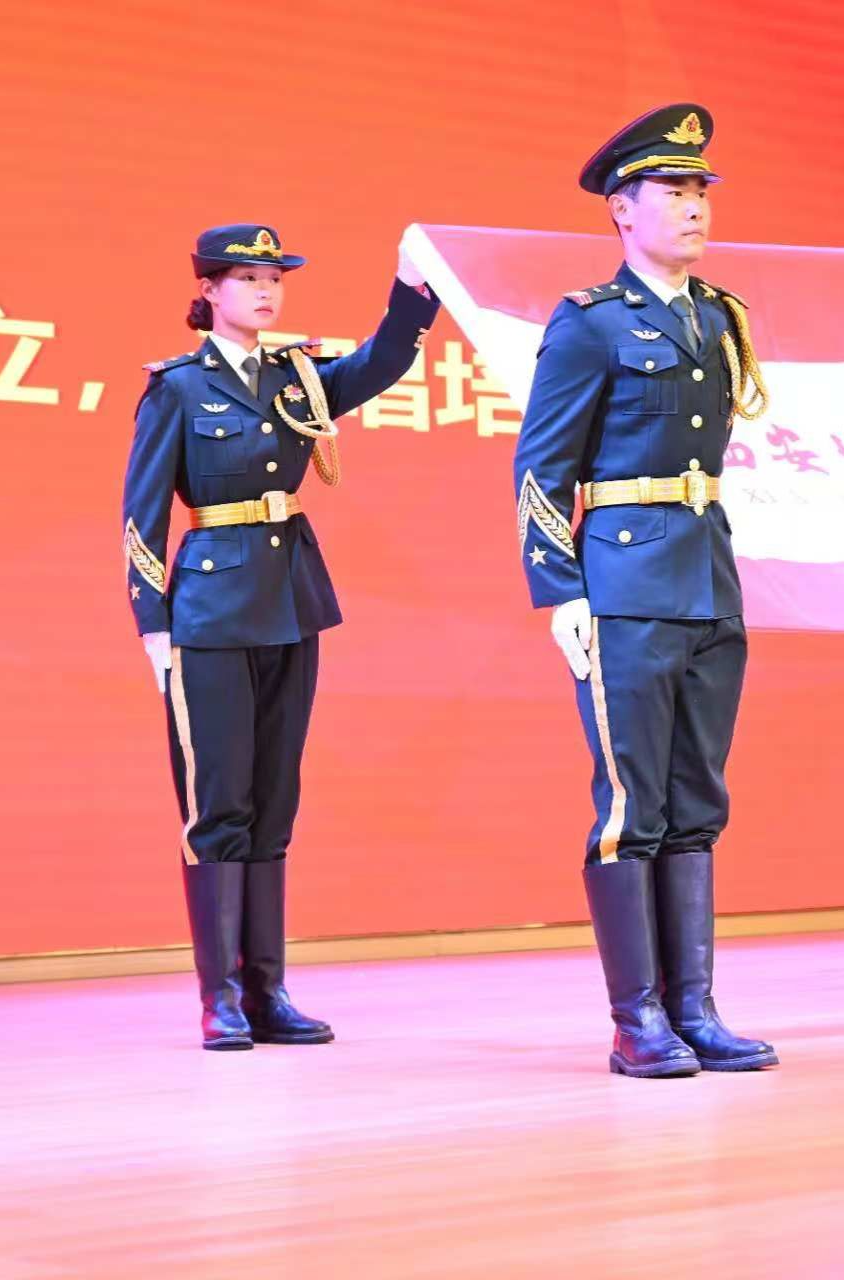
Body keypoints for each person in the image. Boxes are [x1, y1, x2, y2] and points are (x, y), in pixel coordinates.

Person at [123, 222, 441, 1048]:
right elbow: (141, 514)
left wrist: (413, 293)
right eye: (248, 279)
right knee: (218, 805)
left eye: (275, 279)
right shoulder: (178, 387)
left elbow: (378, 365)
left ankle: (268, 991)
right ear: (209, 291)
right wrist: (153, 622)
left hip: (292, 602)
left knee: (273, 802)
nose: (266, 292)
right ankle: (221, 997)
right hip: (209, 612)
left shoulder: (296, 376)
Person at [511, 104, 777, 1077]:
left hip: (706, 575)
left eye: (701, 189)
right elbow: (542, 467)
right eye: (673, 189)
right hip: (621, 583)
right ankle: (637, 1021)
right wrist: (560, 590)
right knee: (632, 804)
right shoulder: (589, 322)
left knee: (697, 797)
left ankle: (694, 1008)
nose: (694, 205)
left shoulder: (718, 317)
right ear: (622, 208)